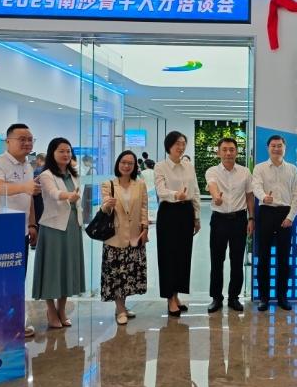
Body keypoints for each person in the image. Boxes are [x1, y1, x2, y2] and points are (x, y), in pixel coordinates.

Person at [0, 123, 40, 338]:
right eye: (22, 139)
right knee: (0, 279)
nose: (27, 143)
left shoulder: (27, 166)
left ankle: (16, 321)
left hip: (21, 231)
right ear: (8, 141)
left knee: (18, 278)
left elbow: (29, 198)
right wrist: (25, 187)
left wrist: (32, 224)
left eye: (30, 139)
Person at [32, 137, 86, 329]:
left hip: (73, 227)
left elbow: (77, 200)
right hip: (53, 228)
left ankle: (61, 309)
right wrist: (68, 196)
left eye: (68, 151)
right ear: (52, 153)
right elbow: (53, 193)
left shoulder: (74, 174)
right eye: (61, 151)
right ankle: (51, 309)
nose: (66, 154)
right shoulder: (46, 175)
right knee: (52, 270)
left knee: (67, 270)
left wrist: (73, 198)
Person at [252, 134, 297, 312]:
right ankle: (263, 298)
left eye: (279, 145)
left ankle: (282, 297)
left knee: (284, 259)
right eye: (273, 146)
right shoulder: (260, 168)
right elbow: (256, 186)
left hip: (285, 214)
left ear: (284, 148)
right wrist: (263, 196)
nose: (276, 149)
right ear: (268, 148)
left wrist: (290, 217)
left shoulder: (292, 169)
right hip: (266, 212)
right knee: (263, 257)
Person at [154, 131, 201, 317]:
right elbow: (160, 191)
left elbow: (195, 191)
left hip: (186, 212)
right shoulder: (161, 166)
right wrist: (176, 195)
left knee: (183, 255)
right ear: (169, 146)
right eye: (177, 144)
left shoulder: (189, 166)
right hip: (169, 212)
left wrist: (197, 217)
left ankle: (177, 295)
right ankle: (169, 298)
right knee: (168, 256)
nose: (181, 147)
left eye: (183, 143)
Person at [100, 151, 149, 325]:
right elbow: (105, 208)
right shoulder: (108, 184)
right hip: (115, 236)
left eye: (130, 163)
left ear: (135, 166)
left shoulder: (140, 185)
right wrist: (107, 206)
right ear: (118, 164)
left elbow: (144, 208)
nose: (126, 166)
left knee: (129, 274)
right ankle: (120, 309)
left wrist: (145, 228)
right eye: (123, 162)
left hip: (135, 236)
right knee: (116, 274)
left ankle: (122, 306)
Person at [206, 137, 254, 313]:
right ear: (218, 152)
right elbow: (212, 185)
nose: (228, 153)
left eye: (231, 149)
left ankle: (234, 297)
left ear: (236, 152)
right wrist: (216, 197)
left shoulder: (245, 172)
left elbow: (249, 196)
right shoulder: (212, 171)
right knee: (216, 260)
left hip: (239, 220)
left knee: (237, 260)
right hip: (219, 220)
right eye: (224, 149)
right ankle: (216, 298)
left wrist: (251, 218)